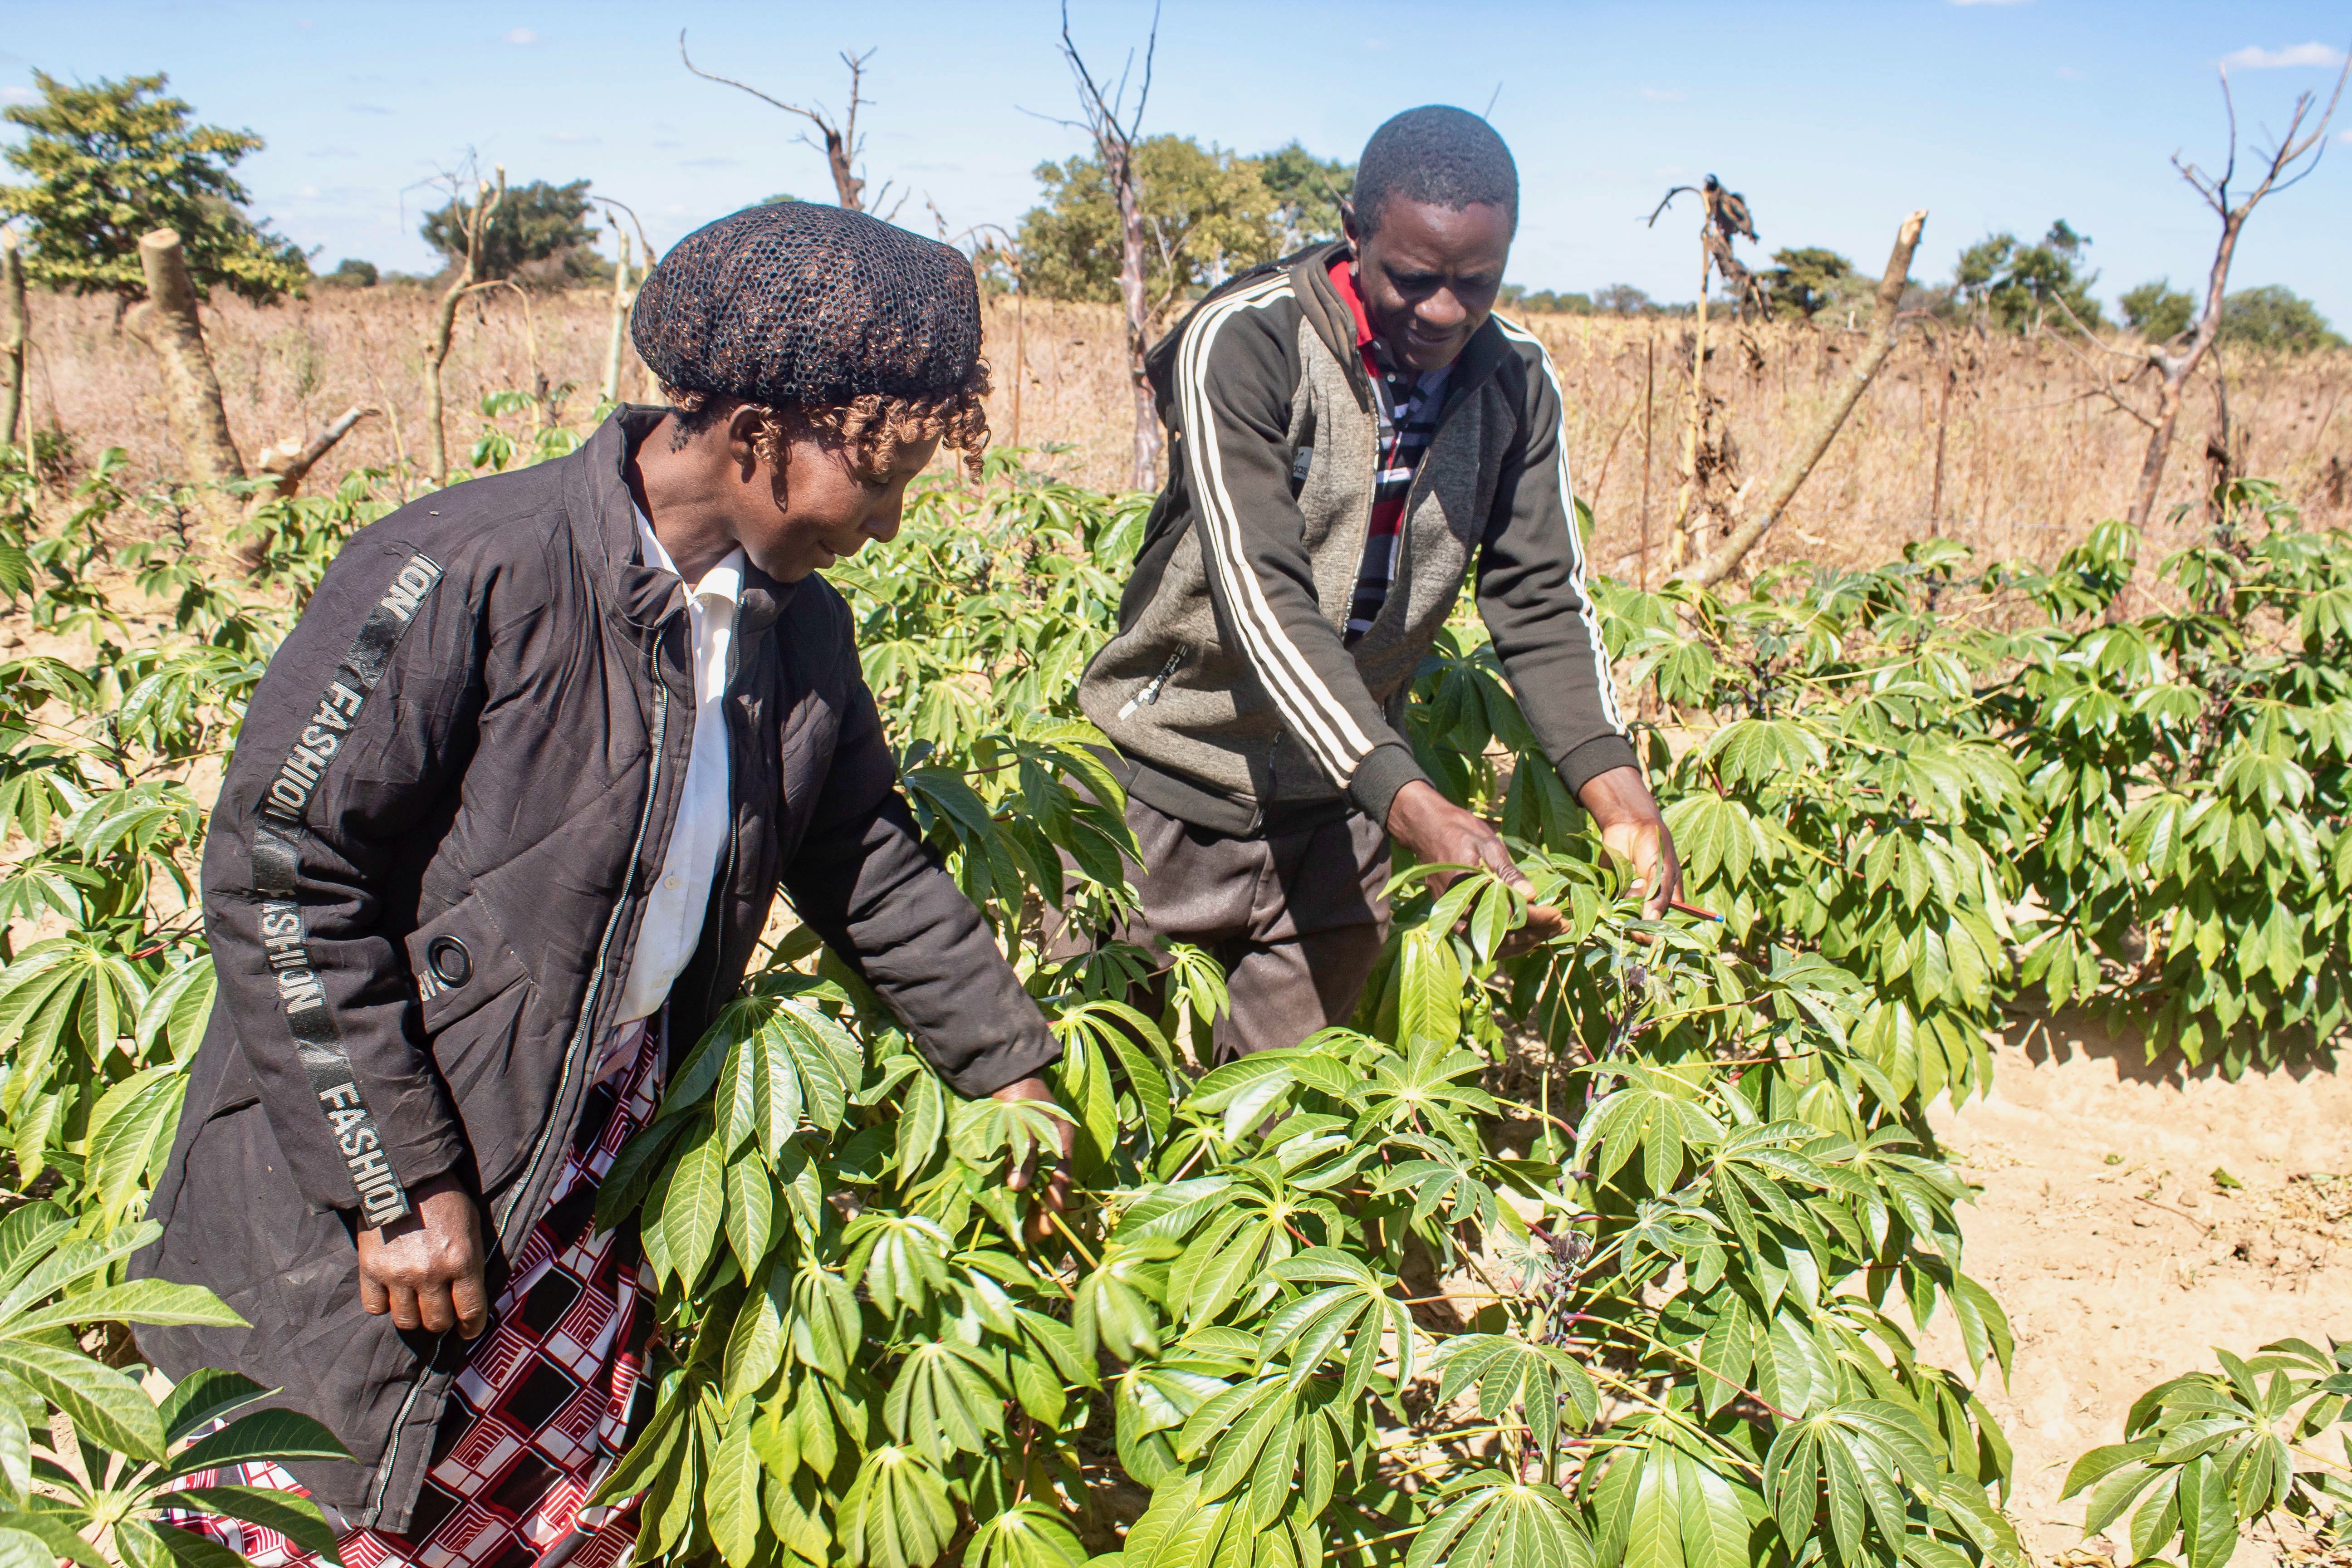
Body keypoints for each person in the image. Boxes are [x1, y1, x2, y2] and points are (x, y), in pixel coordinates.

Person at [135, 201, 1071, 1567]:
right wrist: (391, 1189)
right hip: (393, 1131)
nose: (888, 521)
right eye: (878, 475)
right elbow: (287, 872)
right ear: (760, 435)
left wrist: (1005, 1066)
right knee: (343, 1493)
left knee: (537, 1516)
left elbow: (858, 848)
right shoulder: (462, 568)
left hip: (594, 1131)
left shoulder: (795, 628)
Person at [1076, 105, 1682, 1060]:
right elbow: (1261, 594)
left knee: (1278, 1135)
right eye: (1413, 278)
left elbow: (1538, 598)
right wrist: (1415, 803)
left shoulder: (1517, 380)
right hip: (1165, 786)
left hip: (1337, 813)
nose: (1444, 311)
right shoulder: (1246, 341)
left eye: (1476, 283)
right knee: (1096, 1095)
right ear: (1354, 233)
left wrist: (1619, 793)